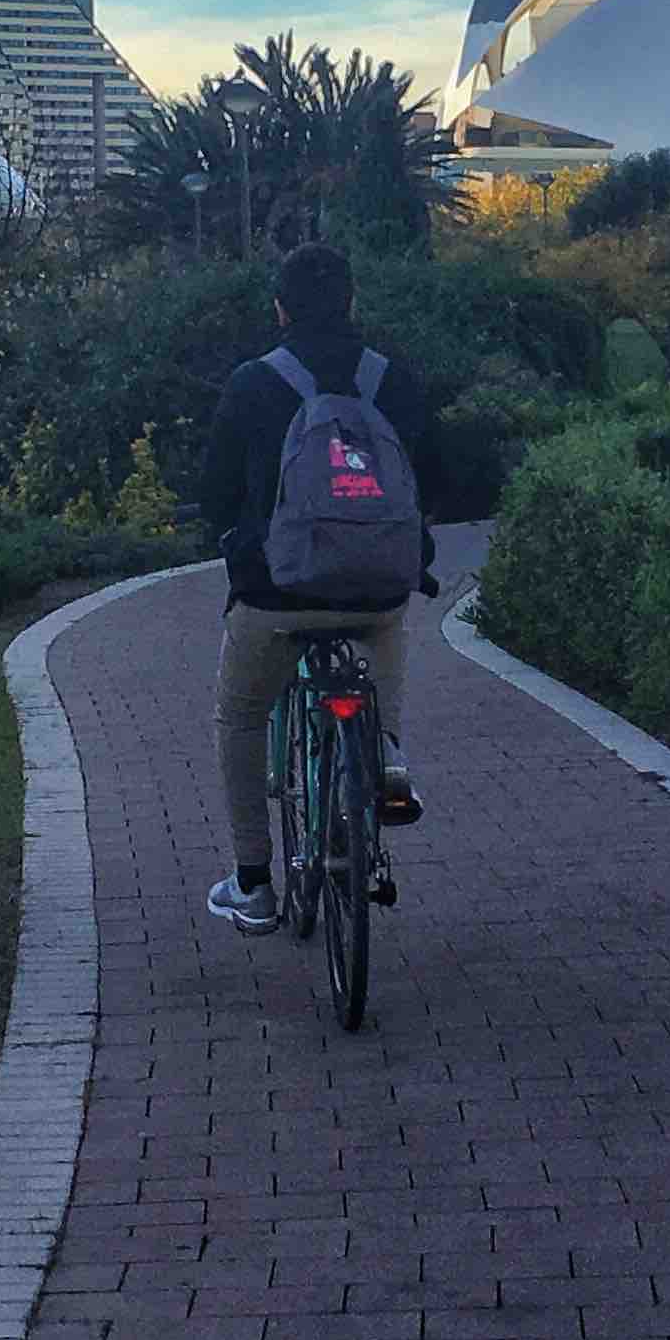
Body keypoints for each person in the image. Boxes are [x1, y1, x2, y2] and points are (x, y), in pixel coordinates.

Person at [201, 240, 437, 936]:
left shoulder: (252, 382)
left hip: (275, 596)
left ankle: (253, 883)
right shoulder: (394, 381)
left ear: (279, 309)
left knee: (240, 718)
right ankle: (388, 760)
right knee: (386, 634)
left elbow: (215, 491)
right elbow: (442, 474)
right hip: (380, 591)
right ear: (353, 304)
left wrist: (232, 535)